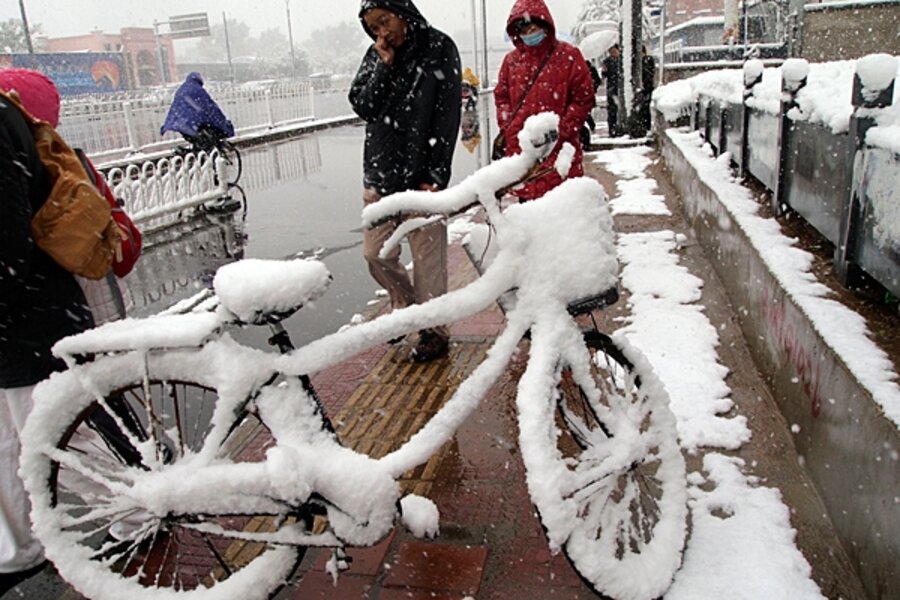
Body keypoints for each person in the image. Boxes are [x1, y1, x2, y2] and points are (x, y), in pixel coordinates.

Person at [0, 77, 95, 586]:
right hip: (27, 315)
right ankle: (19, 550)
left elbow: (5, 238)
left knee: (69, 442)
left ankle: (143, 513)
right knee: (11, 446)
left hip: (29, 318)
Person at [349, 0, 461, 362]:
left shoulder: (439, 49)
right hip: (381, 175)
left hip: (422, 177)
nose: (382, 32)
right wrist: (384, 67)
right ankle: (406, 307)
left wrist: (436, 174)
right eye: (373, 27)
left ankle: (434, 331)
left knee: (428, 262)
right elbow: (363, 104)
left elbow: (447, 116)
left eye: (385, 21)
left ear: (403, 12)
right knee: (375, 253)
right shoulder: (376, 55)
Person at [493, 0, 595, 201]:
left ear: (545, 25)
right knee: (527, 219)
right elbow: (501, 97)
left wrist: (561, 130)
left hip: (559, 152)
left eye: (534, 27)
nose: (530, 33)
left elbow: (583, 97)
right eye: (524, 29)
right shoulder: (511, 62)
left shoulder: (569, 56)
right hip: (524, 155)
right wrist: (509, 127)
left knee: (562, 215)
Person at [161, 72, 235, 153]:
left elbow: (178, 108)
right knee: (207, 141)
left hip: (182, 125)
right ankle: (202, 158)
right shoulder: (198, 90)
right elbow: (211, 108)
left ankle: (189, 154)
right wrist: (224, 123)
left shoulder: (182, 89)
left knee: (198, 142)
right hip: (193, 125)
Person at [601, 43, 622, 137]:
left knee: (621, 109)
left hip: (621, 88)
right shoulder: (607, 61)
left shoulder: (623, 60)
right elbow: (604, 76)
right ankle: (612, 129)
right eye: (610, 51)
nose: (612, 53)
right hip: (611, 88)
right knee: (612, 110)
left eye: (613, 51)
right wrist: (604, 71)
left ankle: (620, 128)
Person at [637, 45, 657, 137]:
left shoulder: (648, 60)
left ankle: (646, 126)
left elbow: (651, 73)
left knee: (646, 107)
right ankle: (642, 127)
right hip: (641, 88)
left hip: (647, 87)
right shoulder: (637, 63)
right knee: (640, 108)